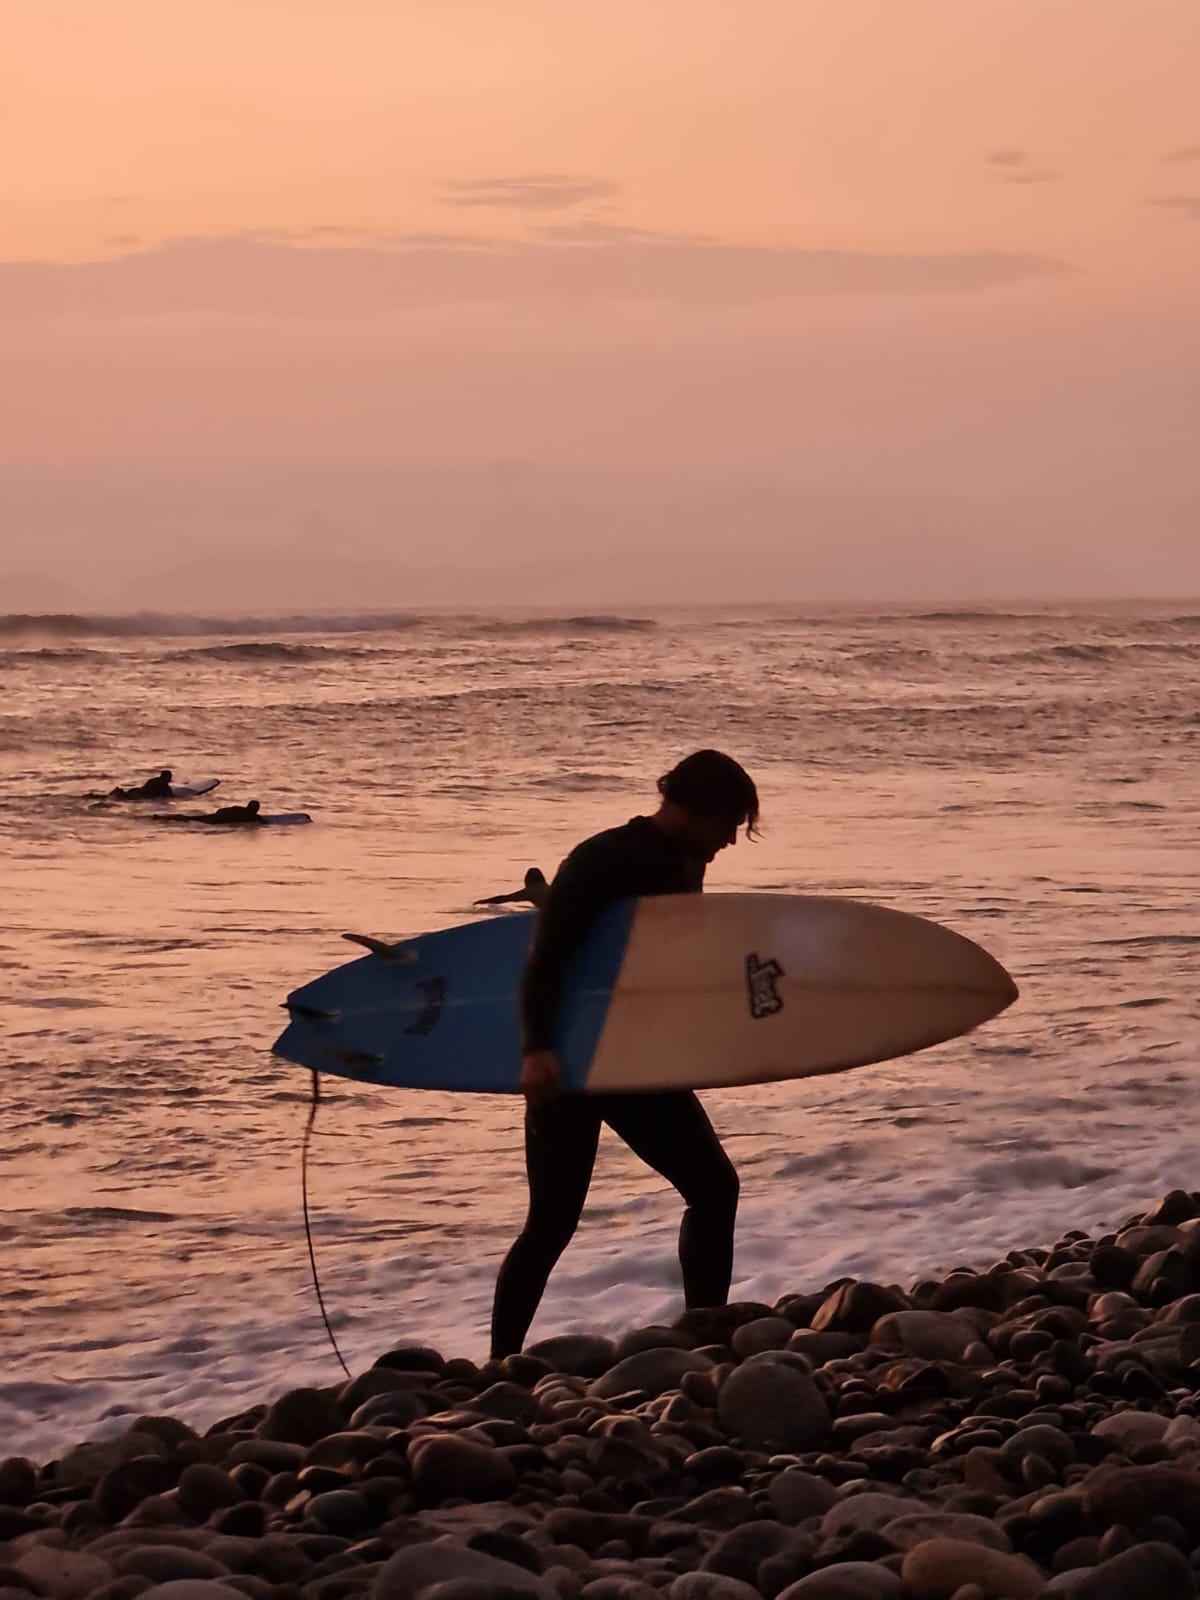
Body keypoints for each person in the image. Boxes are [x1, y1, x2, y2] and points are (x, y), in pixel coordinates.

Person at [490, 749, 759, 1360]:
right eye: (728, 824)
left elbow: (664, 963)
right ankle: (500, 1360)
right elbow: (546, 958)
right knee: (552, 1223)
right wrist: (537, 1052)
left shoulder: (685, 862)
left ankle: (705, 1333)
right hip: (574, 1063)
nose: (731, 840)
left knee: (714, 1189)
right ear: (693, 808)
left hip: (638, 1061)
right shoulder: (602, 859)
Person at [475, 867, 549, 909]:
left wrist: (483, 902)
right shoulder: (550, 888)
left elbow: (505, 898)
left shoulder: (531, 891)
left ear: (528, 879)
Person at [159, 799, 263, 826]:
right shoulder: (251, 816)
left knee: (191, 818)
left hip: (218, 815)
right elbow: (259, 820)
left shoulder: (240, 809)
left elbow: (223, 810)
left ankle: (165, 817)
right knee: (189, 820)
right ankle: (166, 818)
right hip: (217, 820)